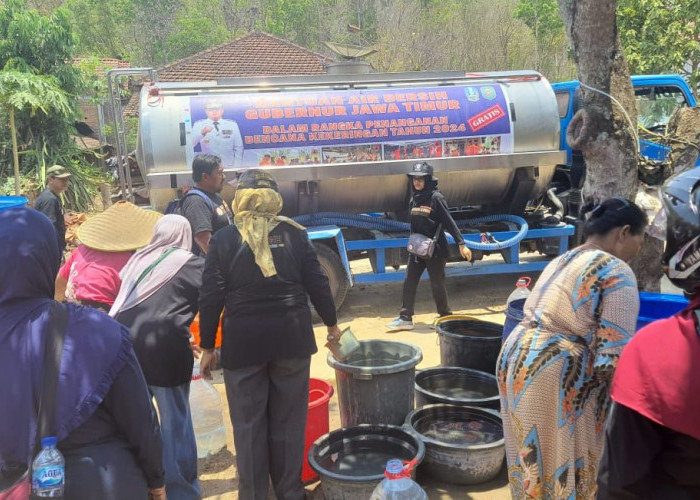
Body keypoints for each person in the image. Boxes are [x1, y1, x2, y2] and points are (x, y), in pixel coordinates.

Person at [0, 207, 166, 499]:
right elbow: (139, 417)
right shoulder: (97, 329)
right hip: (102, 479)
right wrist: (156, 479)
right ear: (49, 258)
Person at [198, 169, 341, 500]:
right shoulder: (295, 234)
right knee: (289, 423)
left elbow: (210, 296)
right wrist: (332, 325)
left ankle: (253, 495)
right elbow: (317, 282)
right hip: (291, 338)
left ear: (241, 199)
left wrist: (207, 346)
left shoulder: (224, 239)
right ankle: (290, 493)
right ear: (275, 199)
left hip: (243, 343)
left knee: (248, 427)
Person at [496, 196, 648, 499]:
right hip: (554, 371)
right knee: (562, 468)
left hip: (516, 358)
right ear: (624, 233)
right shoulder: (617, 271)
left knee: (531, 466)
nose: (640, 248)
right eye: (641, 238)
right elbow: (611, 364)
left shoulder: (563, 259)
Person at [597, 170, 700, 499]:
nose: (648, 247)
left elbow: (620, 484)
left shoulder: (660, 349)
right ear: (624, 233)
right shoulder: (617, 274)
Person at [110, 214, 204, 500]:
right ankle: (180, 491)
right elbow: (212, 298)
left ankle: (145, 485)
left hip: (122, 346)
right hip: (165, 349)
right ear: (184, 234)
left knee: (140, 420)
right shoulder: (190, 263)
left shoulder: (137, 260)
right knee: (176, 422)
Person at [386, 162, 471, 331]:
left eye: (421, 179)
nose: (417, 182)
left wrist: (462, 244)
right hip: (417, 249)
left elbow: (449, 221)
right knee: (409, 281)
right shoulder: (414, 198)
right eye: (415, 178)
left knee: (437, 284)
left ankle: (445, 316)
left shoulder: (436, 198)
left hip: (436, 250)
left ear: (429, 180)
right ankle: (405, 318)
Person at [55, 201, 162, 312]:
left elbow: (60, 281)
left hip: (72, 308)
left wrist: (59, 306)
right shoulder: (130, 260)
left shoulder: (81, 250)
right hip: (101, 312)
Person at [181, 154, 233, 256]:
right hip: (211, 267)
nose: (224, 177)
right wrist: (222, 263)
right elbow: (203, 240)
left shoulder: (214, 197)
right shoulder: (196, 201)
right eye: (219, 173)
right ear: (205, 176)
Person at [192, 99, 243, 168]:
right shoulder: (199, 125)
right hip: (209, 167)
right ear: (206, 111)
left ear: (222, 110)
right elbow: (191, 144)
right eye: (211, 109)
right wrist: (202, 133)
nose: (214, 111)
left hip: (229, 165)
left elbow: (239, 147)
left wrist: (237, 166)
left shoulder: (232, 124)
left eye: (217, 109)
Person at [34, 164, 71, 257]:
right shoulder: (49, 199)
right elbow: (48, 228)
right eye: (62, 180)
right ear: (50, 179)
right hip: (49, 251)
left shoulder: (53, 196)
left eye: (67, 179)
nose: (66, 183)